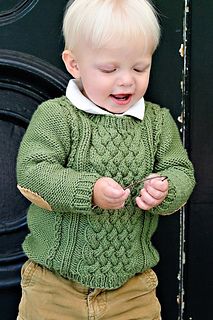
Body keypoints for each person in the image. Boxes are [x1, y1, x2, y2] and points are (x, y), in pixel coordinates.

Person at [16, 0, 195, 319]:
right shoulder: (58, 117)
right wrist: (90, 190)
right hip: (54, 287)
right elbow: (32, 172)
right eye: (109, 69)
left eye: (140, 68)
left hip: (132, 291)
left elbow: (180, 171)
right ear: (75, 65)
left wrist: (165, 190)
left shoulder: (155, 123)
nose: (127, 81)